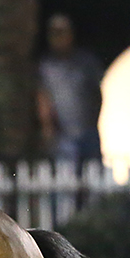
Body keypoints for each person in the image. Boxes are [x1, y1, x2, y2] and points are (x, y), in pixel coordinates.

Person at [37, 14, 103, 166]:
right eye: (54, 33)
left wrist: (93, 122)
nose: (58, 38)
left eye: (62, 32)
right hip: (62, 136)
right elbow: (42, 97)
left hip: (87, 132)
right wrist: (47, 127)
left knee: (93, 179)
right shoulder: (46, 66)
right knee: (65, 182)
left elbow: (97, 95)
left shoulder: (86, 62)